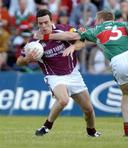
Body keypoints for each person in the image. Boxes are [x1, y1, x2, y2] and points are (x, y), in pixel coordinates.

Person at [34, 10, 128, 138]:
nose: (94, 22)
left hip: (118, 61)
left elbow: (72, 36)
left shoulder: (97, 29)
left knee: (126, 95)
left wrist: (46, 36)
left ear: (100, 19)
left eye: (95, 20)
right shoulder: (122, 24)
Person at [16, 9, 101, 137]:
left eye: (46, 22)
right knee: (63, 100)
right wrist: (27, 59)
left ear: (51, 20)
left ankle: (92, 132)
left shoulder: (63, 29)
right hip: (54, 76)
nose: (44, 26)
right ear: (37, 24)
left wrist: (73, 47)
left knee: (88, 109)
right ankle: (46, 127)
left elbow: (80, 40)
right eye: (40, 24)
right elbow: (19, 61)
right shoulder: (34, 42)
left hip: (73, 74)